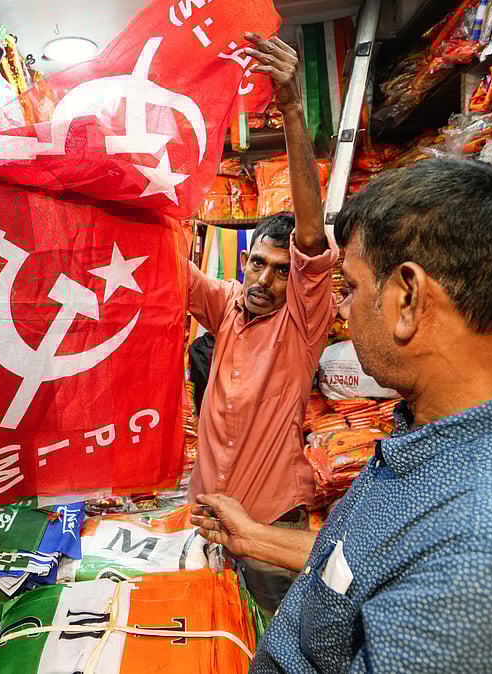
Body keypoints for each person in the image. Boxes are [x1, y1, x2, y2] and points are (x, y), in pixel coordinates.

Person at [192, 159, 492, 672]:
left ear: (408, 298)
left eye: (349, 287)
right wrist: (255, 536)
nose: (342, 311)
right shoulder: (436, 438)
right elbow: (377, 562)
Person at [181, 33, 336, 613]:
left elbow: (313, 239)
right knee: (214, 635)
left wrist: (292, 109)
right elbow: (162, 268)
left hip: (271, 524)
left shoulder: (300, 323)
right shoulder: (227, 306)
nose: (264, 280)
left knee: (277, 643)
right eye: (256, 263)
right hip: (207, 515)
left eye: (279, 270)